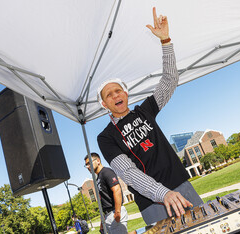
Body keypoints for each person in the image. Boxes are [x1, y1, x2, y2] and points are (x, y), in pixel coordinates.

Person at [97, 7, 203, 225]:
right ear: (104, 104)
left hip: (181, 185)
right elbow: (127, 172)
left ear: (125, 94)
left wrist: (166, 41)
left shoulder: (145, 110)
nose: (116, 95)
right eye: (109, 94)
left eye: (118, 90)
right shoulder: (106, 137)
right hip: (152, 202)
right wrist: (162, 193)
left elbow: (170, 81)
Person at [84, 153, 128, 234]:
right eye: (86, 165)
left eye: (88, 163)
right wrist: (102, 221)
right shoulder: (98, 178)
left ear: (98, 161)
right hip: (108, 215)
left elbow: (117, 190)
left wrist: (117, 212)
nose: (87, 167)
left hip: (114, 213)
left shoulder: (106, 172)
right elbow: (104, 201)